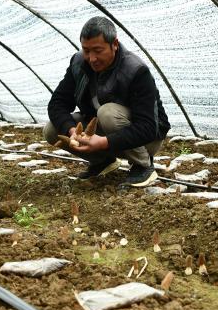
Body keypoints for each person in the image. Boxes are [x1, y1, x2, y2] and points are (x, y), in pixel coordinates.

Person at [45, 17, 170, 187]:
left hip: (148, 139)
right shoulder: (79, 64)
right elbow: (57, 104)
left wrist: (103, 142)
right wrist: (73, 131)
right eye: (86, 50)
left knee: (107, 113)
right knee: (52, 130)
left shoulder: (135, 70)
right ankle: (103, 161)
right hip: (107, 131)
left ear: (115, 44)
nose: (92, 58)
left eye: (98, 50)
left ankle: (143, 165)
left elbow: (147, 127)